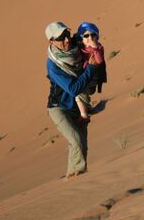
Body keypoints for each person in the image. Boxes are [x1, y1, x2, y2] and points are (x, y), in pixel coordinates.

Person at [45, 21, 97, 179]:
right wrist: (91, 69)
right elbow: (73, 88)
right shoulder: (53, 65)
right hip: (59, 108)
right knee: (76, 141)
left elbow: (90, 40)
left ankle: (72, 177)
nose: (67, 39)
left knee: (82, 147)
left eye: (67, 34)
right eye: (61, 38)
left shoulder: (76, 48)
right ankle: (78, 178)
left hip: (79, 106)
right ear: (51, 42)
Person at [75, 22, 107, 119]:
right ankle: (86, 107)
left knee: (78, 91)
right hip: (83, 75)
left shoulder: (98, 48)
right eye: (86, 35)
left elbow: (99, 60)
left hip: (92, 78)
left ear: (97, 37)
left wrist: (94, 48)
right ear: (81, 38)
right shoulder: (78, 48)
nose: (90, 38)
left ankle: (84, 116)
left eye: (93, 35)